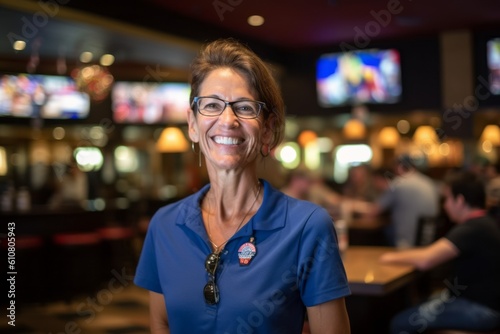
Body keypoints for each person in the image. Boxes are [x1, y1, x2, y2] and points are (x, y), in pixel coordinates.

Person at [133, 38, 351, 334]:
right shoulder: (165, 225)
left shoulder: (308, 227)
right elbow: (161, 323)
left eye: (245, 107)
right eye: (211, 105)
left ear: (268, 129)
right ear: (193, 124)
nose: (227, 120)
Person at [379, 170, 500, 333]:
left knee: (400, 323)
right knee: (419, 303)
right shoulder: (485, 223)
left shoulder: (472, 228)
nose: (444, 205)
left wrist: (389, 256)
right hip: (483, 304)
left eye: (447, 199)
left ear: (460, 200)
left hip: (480, 309)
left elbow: (426, 259)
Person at [359, 154, 440, 248]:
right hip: (428, 241)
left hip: (406, 242)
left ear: (398, 167)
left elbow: (373, 211)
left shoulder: (398, 184)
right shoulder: (429, 182)